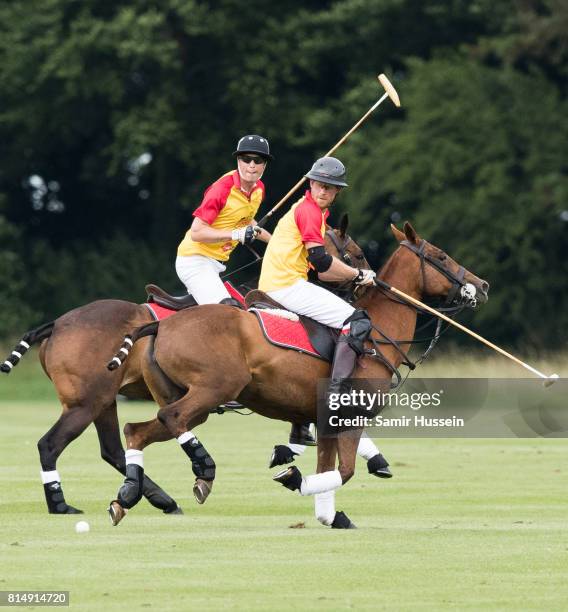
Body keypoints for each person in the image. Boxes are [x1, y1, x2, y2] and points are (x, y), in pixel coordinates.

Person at [258, 157, 392, 508]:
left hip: (285, 283)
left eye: (331, 188)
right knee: (358, 321)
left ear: (336, 193)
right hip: (286, 285)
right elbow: (321, 264)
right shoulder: (307, 212)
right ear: (310, 185)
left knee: (341, 320)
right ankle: (337, 391)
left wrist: (350, 274)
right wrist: (358, 275)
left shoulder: (314, 214)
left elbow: (321, 271)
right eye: (320, 185)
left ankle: (325, 510)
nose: (325, 191)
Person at [176, 134, 273, 306]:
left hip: (216, 265)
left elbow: (248, 222)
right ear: (238, 160)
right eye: (246, 158)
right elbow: (197, 233)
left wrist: (275, 243)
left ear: (264, 165)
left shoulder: (259, 190)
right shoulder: (221, 189)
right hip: (194, 260)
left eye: (258, 160)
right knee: (228, 312)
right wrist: (237, 234)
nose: (251, 165)